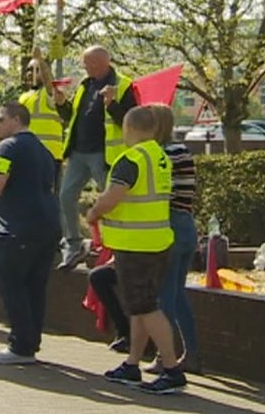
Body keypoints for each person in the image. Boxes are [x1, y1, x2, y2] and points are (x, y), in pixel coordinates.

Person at [87, 106, 186, 394]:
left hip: (135, 245)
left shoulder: (130, 159)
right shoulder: (160, 157)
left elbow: (112, 198)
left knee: (146, 308)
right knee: (140, 306)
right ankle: (132, 365)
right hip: (157, 241)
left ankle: (171, 369)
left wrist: (93, 212)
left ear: (127, 129)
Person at [0, 102, 61, 364]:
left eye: (0, 120)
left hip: (18, 228)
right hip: (47, 226)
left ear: (17, 120)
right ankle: (31, 342)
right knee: (35, 286)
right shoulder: (43, 150)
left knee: (11, 284)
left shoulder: (7, 147)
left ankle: (20, 345)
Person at [57, 46, 137, 270]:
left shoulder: (123, 85)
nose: (84, 67)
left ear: (101, 63)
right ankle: (73, 244)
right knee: (65, 196)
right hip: (78, 152)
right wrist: (62, 104)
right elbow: (73, 117)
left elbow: (131, 122)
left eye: (88, 63)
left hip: (105, 154)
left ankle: (115, 247)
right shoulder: (85, 84)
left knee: (111, 202)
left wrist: (112, 104)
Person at [148, 103, 201, 374]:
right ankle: (192, 353)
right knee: (178, 294)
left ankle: (164, 356)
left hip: (169, 226)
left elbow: (159, 193)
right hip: (186, 224)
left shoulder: (161, 154)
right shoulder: (182, 151)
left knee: (164, 296)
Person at [18, 47, 64, 189]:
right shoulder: (23, 97)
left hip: (49, 155)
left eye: (36, 70)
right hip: (28, 155)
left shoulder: (50, 94)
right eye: (29, 70)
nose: (31, 73)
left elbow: (49, 83)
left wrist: (41, 61)